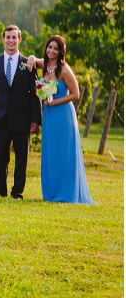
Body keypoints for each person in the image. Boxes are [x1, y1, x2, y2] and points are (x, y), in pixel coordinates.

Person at [31, 35, 95, 204]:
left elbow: (76, 94)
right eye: (49, 47)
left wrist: (55, 102)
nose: (51, 51)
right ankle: (51, 193)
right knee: (51, 152)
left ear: (61, 52)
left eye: (55, 48)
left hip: (63, 115)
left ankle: (67, 194)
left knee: (64, 153)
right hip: (50, 118)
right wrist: (30, 59)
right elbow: (33, 59)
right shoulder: (44, 65)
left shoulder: (65, 69)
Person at [0, 24, 41, 199]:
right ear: (3, 39)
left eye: (14, 37)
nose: (11, 40)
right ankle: (0, 189)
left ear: (19, 39)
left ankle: (17, 192)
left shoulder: (28, 64)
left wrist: (35, 119)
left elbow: (35, 93)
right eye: (8, 37)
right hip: (0, 117)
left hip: (23, 119)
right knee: (0, 156)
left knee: (21, 158)